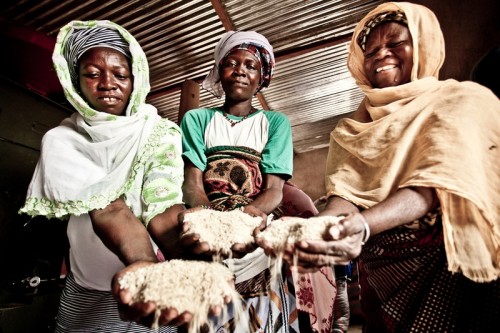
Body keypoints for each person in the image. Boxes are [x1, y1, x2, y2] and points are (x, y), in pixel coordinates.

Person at [261, 2, 500, 332]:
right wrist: (312, 231)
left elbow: (429, 188)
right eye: (370, 51)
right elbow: (344, 197)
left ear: (424, 45)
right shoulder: (351, 130)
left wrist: (363, 226)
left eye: (395, 43)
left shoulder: (462, 101)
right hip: (382, 273)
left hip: (449, 270)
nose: (381, 55)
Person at [19, 20, 192, 332]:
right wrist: (145, 267)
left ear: (135, 77)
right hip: (88, 290)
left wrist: (185, 268)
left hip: (151, 292)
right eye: (92, 74)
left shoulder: (158, 132)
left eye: (120, 74)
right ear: (75, 81)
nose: (107, 83)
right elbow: (109, 208)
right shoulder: (63, 140)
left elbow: (163, 203)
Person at [179, 31, 337, 332]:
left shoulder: (274, 123)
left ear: (262, 77)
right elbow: (193, 183)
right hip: (208, 221)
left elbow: (274, 189)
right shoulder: (197, 119)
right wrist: (210, 225)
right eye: (232, 63)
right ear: (219, 70)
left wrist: (245, 221)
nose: (240, 70)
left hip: (254, 222)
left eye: (251, 66)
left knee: (260, 308)